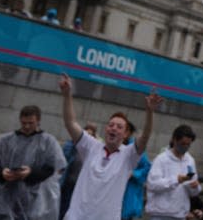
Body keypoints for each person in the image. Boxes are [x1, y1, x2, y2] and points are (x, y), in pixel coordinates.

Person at [59, 73, 162, 220]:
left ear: (126, 134)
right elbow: (70, 123)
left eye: (119, 127)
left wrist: (150, 112)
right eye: (111, 125)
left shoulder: (129, 155)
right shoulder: (91, 146)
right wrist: (67, 95)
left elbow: (145, 137)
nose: (113, 128)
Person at [0, 105, 66, 220]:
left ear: (38, 121)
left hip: (34, 201)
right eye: (24, 123)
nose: (27, 126)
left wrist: (31, 173)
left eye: (31, 123)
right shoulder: (6, 140)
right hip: (4, 197)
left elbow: (53, 168)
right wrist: (1, 173)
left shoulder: (48, 143)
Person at [145, 124, 202, 220]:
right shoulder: (161, 159)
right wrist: (176, 180)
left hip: (180, 216)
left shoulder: (190, 160)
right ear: (174, 140)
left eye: (188, 144)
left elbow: (193, 192)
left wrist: (195, 187)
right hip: (160, 215)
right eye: (183, 144)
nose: (185, 147)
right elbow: (152, 185)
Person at [59, 123, 98, 219]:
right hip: (67, 183)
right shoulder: (71, 145)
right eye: (86, 134)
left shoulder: (94, 150)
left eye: (90, 135)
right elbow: (63, 160)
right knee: (62, 209)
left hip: (80, 188)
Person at [121, 122, 151, 220]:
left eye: (123, 129)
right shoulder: (112, 145)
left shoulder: (136, 148)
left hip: (130, 193)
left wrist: (134, 173)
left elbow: (147, 167)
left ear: (129, 132)